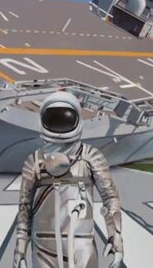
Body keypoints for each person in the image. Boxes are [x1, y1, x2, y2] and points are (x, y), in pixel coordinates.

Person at [13, 91, 124, 268]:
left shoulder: (89, 156)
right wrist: (20, 248)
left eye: (65, 118)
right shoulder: (35, 160)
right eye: (55, 119)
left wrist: (115, 236)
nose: (60, 123)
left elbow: (109, 197)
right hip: (45, 247)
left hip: (80, 246)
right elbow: (24, 206)